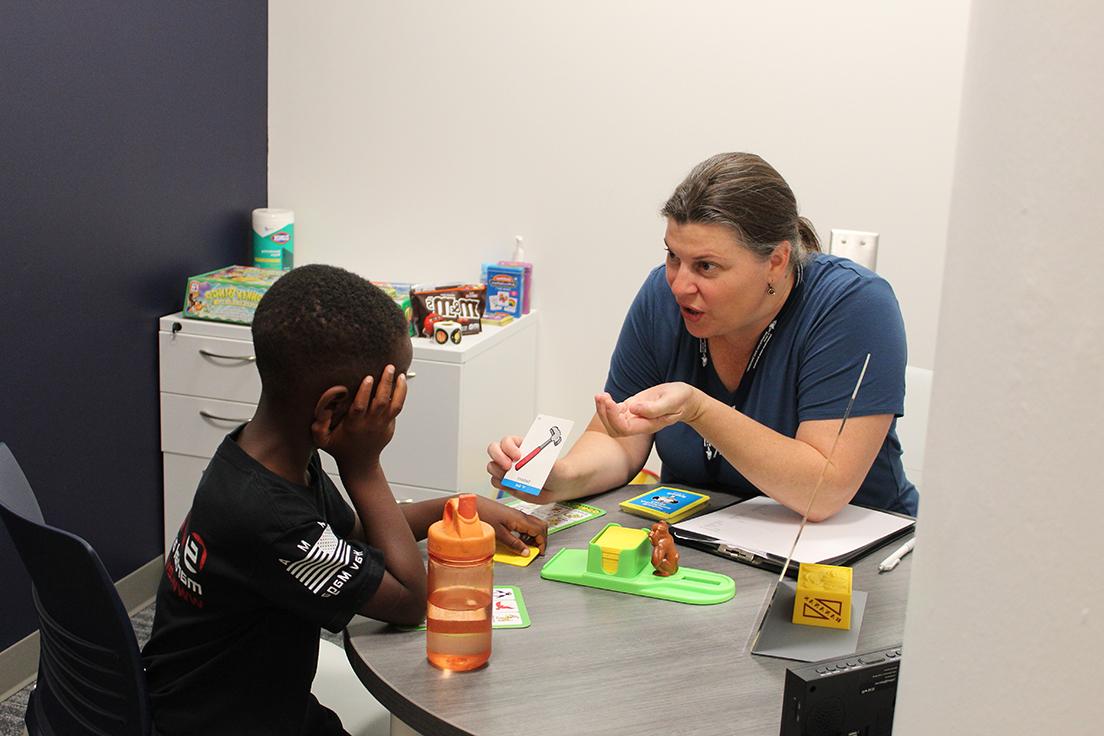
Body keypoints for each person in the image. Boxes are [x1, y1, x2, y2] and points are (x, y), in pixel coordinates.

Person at [143, 264, 547, 736]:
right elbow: (412, 600)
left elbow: (351, 535)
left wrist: (453, 507)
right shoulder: (267, 516)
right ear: (334, 409)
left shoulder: (264, 458)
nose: (394, 410)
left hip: (229, 699)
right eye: (390, 397)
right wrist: (363, 464)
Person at [488, 152, 918, 520]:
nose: (678, 284)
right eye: (673, 256)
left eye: (706, 267)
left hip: (854, 559)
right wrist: (561, 477)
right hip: (703, 547)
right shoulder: (662, 296)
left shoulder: (853, 306)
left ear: (776, 261)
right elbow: (617, 439)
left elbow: (822, 492)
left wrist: (698, 409)